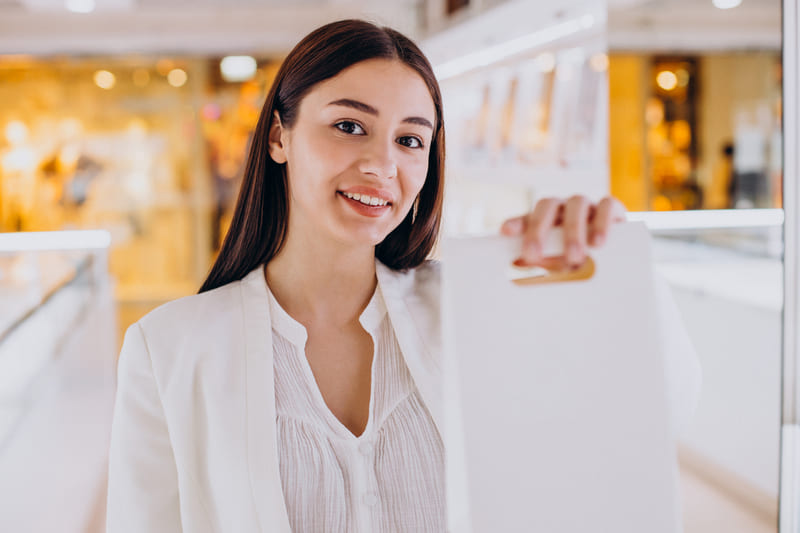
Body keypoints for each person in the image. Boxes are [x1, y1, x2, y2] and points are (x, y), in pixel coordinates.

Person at [106, 19, 699, 533]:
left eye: (410, 139)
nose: (381, 164)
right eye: (349, 126)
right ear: (279, 136)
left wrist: (608, 274)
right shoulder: (170, 350)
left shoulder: (470, 309)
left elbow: (660, 407)